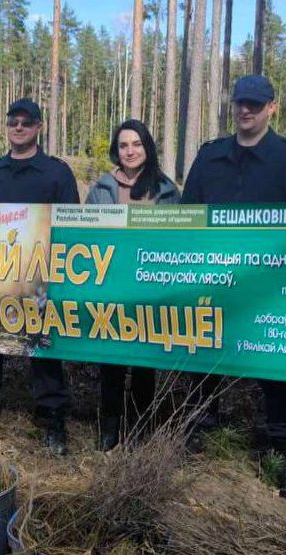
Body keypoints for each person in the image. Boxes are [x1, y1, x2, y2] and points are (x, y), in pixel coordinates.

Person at [181, 75, 286, 467]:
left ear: (272, 107)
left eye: (255, 105)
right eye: (240, 103)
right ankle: (203, 427)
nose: (245, 111)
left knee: (274, 362)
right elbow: (188, 216)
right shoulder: (210, 156)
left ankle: (283, 443)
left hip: (269, 282)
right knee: (203, 354)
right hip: (212, 277)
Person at [0, 98, 80, 456]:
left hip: (41, 273)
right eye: (13, 121)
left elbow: (72, 224)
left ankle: (53, 418)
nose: (18, 127)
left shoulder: (57, 173)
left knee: (43, 348)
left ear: (39, 127)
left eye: (26, 122)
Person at [85, 119, 181, 450]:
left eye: (137, 144)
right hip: (109, 288)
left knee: (143, 367)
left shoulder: (166, 190)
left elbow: (180, 244)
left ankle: (138, 430)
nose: (130, 150)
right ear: (117, 149)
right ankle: (109, 429)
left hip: (151, 291)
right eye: (124, 145)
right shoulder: (100, 188)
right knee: (110, 364)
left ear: (147, 147)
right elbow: (84, 236)